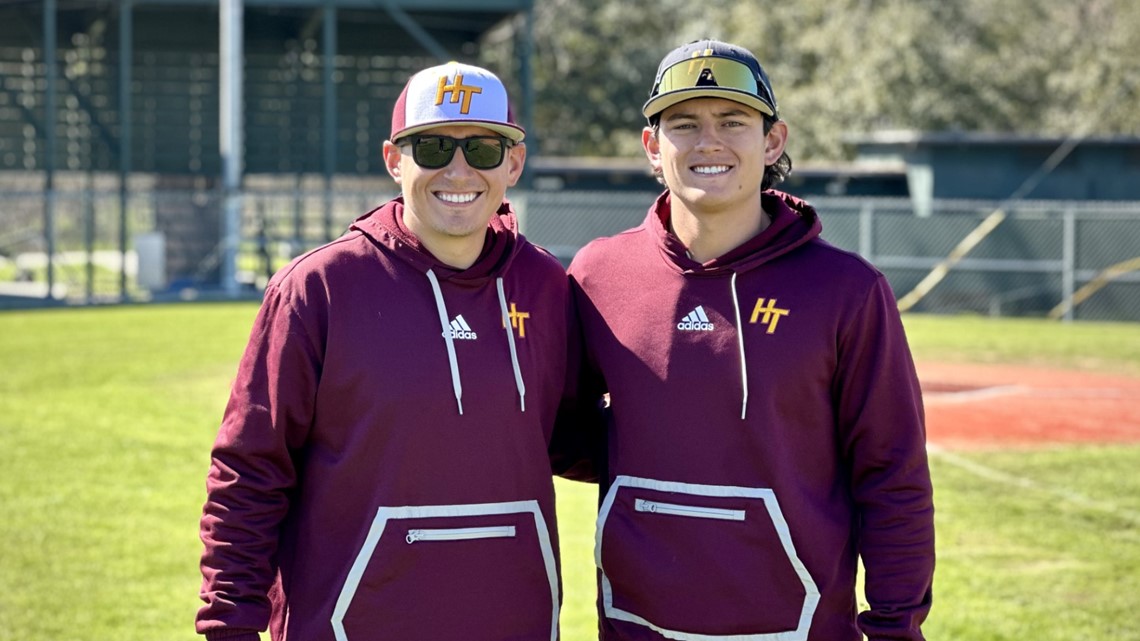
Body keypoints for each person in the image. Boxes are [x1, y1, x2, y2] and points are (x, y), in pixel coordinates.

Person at [567, 40, 935, 640]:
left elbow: (892, 471)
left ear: (772, 141)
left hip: (799, 627)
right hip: (637, 624)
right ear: (653, 147)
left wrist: (897, 627)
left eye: (733, 121)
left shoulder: (846, 289)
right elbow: (560, 427)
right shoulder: (598, 274)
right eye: (684, 124)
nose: (708, 141)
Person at [196, 61, 574, 641]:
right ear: (395, 160)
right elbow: (250, 471)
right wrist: (230, 624)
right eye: (432, 147)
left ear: (514, 163)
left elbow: (582, 435)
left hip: (515, 623)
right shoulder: (318, 287)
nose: (458, 169)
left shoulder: (547, 286)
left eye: (482, 149)